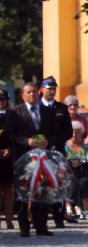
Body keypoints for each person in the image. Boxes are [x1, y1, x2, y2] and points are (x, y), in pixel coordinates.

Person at [10, 82, 65, 236]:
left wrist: (48, 141)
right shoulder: (15, 113)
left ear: (39, 93)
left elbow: (58, 133)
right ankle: (24, 227)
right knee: (23, 193)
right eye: (28, 92)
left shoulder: (48, 112)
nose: (32, 95)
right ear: (23, 95)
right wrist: (26, 141)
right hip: (23, 158)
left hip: (43, 159)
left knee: (41, 192)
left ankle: (41, 226)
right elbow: (10, 134)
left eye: (34, 92)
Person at [39, 77, 74, 226]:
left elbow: (68, 133)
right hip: (39, 152)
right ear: (42, 89)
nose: (52, 91)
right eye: (49, 89)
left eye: (54, 89)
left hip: (57, 151)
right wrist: (40, 141)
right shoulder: (36, 107)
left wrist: (51, 141)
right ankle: (39, 218)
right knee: (40, 185)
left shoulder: (61, 108)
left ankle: (59, 217)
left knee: (58, 184)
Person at [65, 120, 88, 220]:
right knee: (69, 183)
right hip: (68, 171)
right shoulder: (65, 146)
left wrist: (81, 162)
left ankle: (86, 210)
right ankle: (69, 209)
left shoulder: (85, 147)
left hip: (83, 171)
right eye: (72, 132)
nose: (74, 134)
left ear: (81, 133)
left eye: (77, 132)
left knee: (85, 182)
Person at [0, 90, 15, 229]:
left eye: (3, 99)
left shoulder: (12, 116)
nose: (1, 102)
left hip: (9, 156)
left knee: (9, 189)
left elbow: (16, 135)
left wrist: (10, 150)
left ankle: (9, 219)